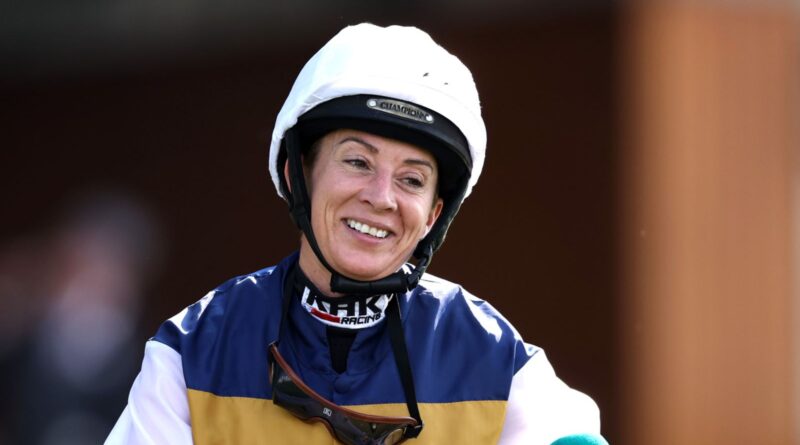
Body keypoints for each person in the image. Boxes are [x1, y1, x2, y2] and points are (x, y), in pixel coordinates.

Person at [106, 23, 601, 445]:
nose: (381, 196)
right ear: (298, 173)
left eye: (412, 179)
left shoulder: (497, 358)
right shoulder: (190, 352)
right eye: (358, 162)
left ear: (433, 215)